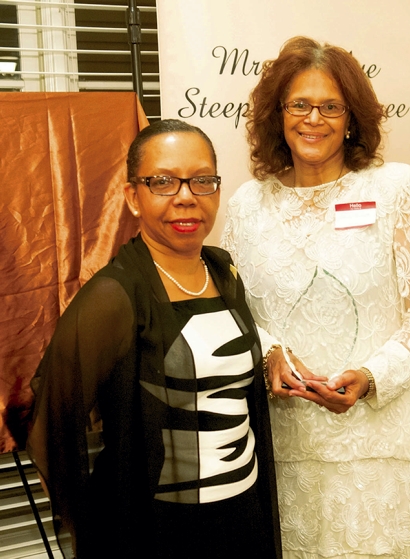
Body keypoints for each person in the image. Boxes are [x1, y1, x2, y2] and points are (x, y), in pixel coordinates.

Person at [221, 36, 410, 559]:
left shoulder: (398, 190)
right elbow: (233, 314)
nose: (314, 119)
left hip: (386, 448)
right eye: (299, 105)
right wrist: (269, 353)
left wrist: (372, 376)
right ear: (278, 115)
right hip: (285, 448)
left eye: (331, 106)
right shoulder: (246, 206)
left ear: (352, 119)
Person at [27, 119, 282, 559]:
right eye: (163, 182)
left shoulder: (223, 271)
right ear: (133, 197)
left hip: (244, 517)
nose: (186, 197)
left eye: (201, 180)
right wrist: (90, 527)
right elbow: (52, 423)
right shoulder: (113, 296)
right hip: (159, 532)